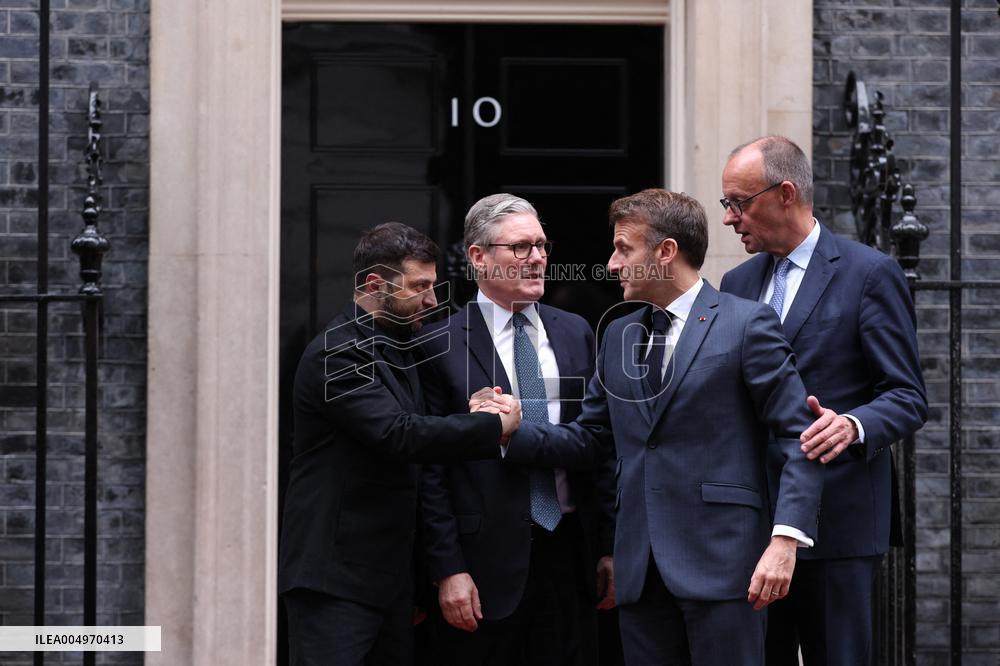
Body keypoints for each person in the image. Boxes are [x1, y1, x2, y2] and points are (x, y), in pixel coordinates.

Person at [492, 189, 825, 665]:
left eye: (624, 249)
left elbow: (798, 436)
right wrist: (511, 433)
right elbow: (592, 438)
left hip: (727, 565)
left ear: (666, 252)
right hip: (640, 570)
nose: (611, 264)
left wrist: (785, 540)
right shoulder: (618, 333)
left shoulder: (748, 324)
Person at [718, 136, 928, 666]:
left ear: (785, 193)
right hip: (753, 520)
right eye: (727, 204)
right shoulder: (735, 283)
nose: (730, 218)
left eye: (740, 203)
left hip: (840, 519)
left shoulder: (869, 272)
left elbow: (906, 395)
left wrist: (854, 425)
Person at [277, 222, 521, 666]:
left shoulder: (399, 347)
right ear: (375, 284)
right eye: (420, 286)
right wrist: (492, 427)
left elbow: (420, 429)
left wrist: (475, 411)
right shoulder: (337, 354)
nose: (431, 299)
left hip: (390, 581)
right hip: (335, 580)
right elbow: (399, 434)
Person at [417, 194, 617, 666]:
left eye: (543, 246)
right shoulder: (438, 345)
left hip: (571, 553)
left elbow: (600, 447)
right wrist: (447, 569)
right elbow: (428, 471)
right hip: (482, 563)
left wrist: (609, 548)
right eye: (522, 247)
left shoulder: (576, 332)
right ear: (478, 256)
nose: (538, 259)